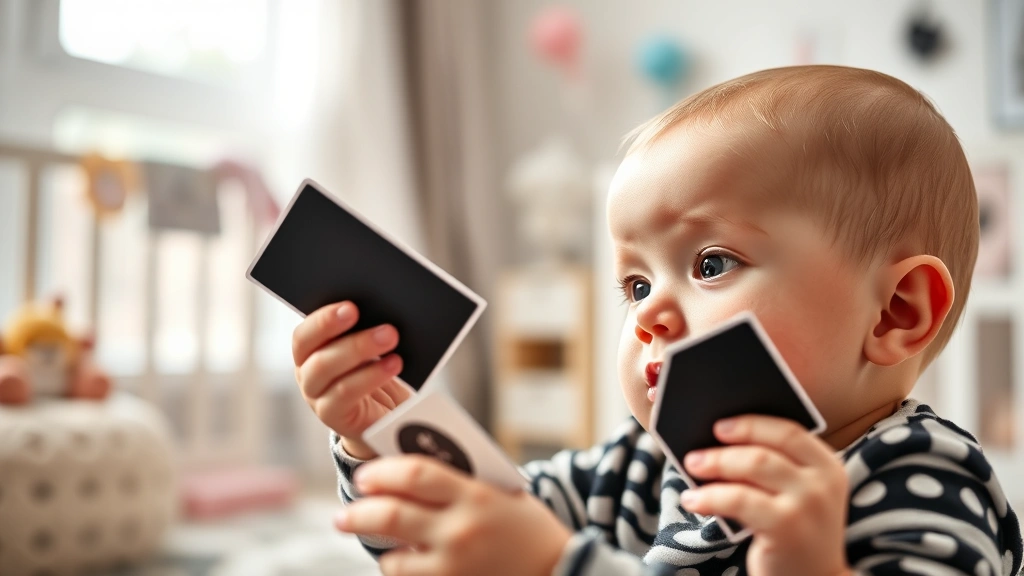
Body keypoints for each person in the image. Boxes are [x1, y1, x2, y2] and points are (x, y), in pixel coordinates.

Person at [290, 65, 1023, 576]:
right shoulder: (639, 469)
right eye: (634, 284)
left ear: (896, 313)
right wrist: (377, 432)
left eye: (709, 264)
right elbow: (472, 532)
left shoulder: (921, 477)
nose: (649, 314)